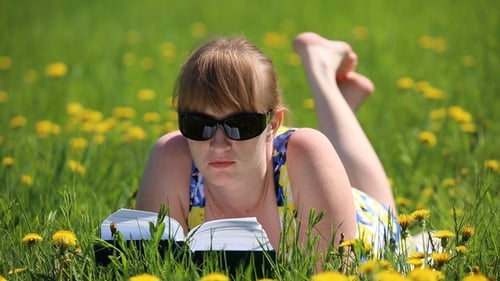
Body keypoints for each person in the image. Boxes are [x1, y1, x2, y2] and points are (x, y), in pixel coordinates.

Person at [135, 32, 400, 263]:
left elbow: (336, 273)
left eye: (241, 125)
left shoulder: (308, 151)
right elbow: (153, 268)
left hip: (360, 225)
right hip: (300, 175)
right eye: (198, 124)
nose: (218, 144)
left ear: (273, 123)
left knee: (388, 215)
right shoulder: (171, 157)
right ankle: (343, 108)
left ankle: (320, 67)